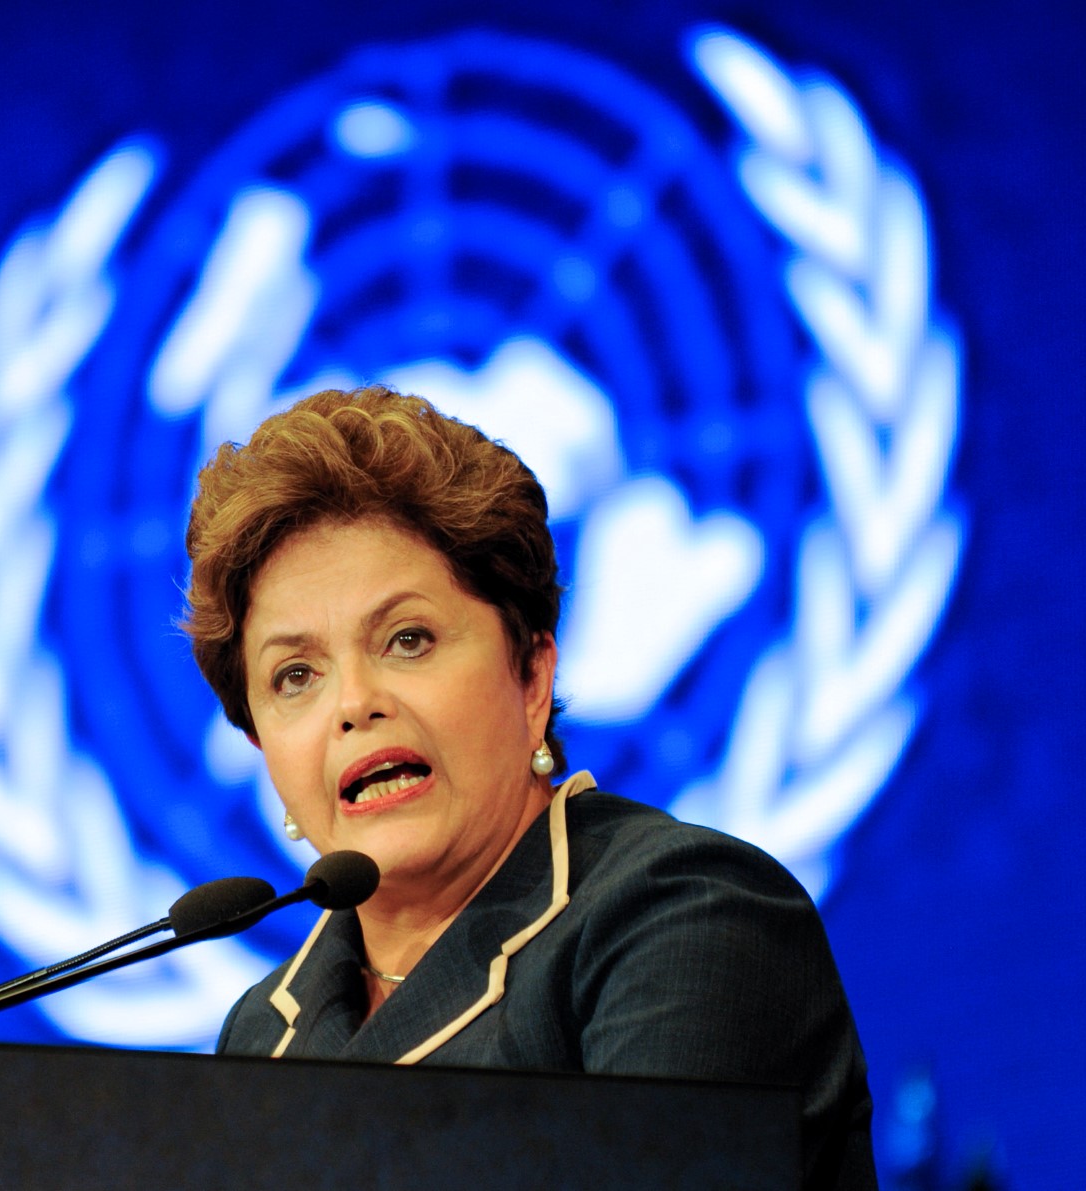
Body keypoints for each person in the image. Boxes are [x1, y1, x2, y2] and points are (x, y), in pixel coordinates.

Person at [183, 385, 877, 1189]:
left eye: (407, 639)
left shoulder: (683, 918)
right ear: (261, 744)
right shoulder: (264, 1031)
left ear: (531, 677)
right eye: (295, 675)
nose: (353, 703)